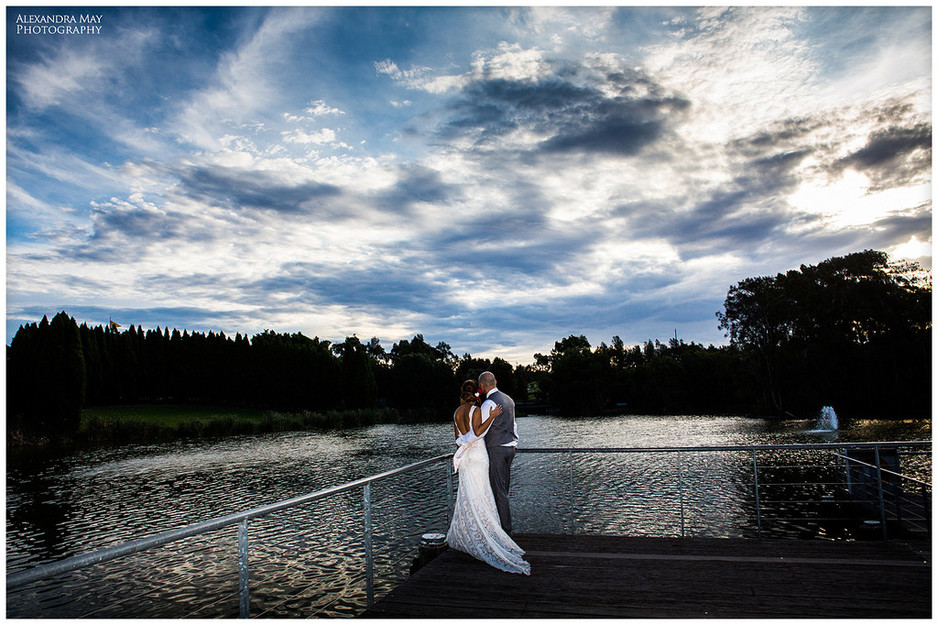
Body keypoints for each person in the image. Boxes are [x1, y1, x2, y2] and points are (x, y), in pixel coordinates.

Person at [446, 379, 530, 575]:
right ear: (476, 393)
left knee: (468, 495)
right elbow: (477, 433)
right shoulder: (476, 410)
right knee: (483, 494)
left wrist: (465, 442)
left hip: (466, 457)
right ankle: (489, 534)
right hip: (478, 456)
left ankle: (469, 533)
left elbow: (459, 439)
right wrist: (491, 417)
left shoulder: (456, 412)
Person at [477, 371, 518, 536]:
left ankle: (505, 532)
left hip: (497, 449)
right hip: (511, 448)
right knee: (504, 489)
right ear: (495, 381)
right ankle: (502, 527)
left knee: (499, 491)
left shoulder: (488, 404)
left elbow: (481, 431)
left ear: (481, 386)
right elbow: (513, 425)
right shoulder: (509, 399)